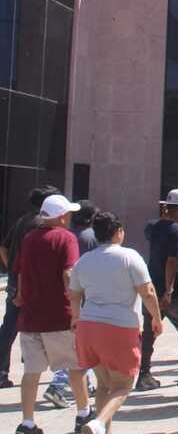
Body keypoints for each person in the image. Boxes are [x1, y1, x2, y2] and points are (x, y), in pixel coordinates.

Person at [69, 212, 163, 434]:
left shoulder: (84, 260)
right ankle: (98, 422)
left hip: (88, 325)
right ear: (119, 232)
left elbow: (74, 294)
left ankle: (102, 428)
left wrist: (75, 319)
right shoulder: (129, 257)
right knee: (123, 384)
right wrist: (156, 318)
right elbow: (148, 292)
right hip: (119, 326)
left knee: (104, 384)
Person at [13, 193, 93, 434]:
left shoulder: (29, 238)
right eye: (67, 214)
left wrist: (20, 295)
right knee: (76, 367)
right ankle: (83, 414)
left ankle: (27, 423)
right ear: (60, 217)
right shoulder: (66, 238)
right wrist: (76, 309)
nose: (69, 218)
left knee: (32, 372)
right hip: (59, 315)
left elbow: (20, 272)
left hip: (30, 317)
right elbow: (69, 274)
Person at [0, 185, 60, 391]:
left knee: (9, 328)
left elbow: (3, 248)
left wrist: (12, 271)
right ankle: (36, 371)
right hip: (31, 287)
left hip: (16, 284)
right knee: (36, 329)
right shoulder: (41, 225)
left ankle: (2, 372)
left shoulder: (21, 221)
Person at [142, 189, 178, 397]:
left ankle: (143, 374)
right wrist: (169, 290)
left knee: (148, 333)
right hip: (173, 291)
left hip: (151, 286)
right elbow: (172, 261)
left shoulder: (151, 227)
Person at [45, 200, 100, 405]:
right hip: (83, 298)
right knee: (76, 347)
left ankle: (88, 384)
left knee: (80, 345)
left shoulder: (68, 235)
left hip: (68, 297)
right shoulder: (89, 238)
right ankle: (58, 385)